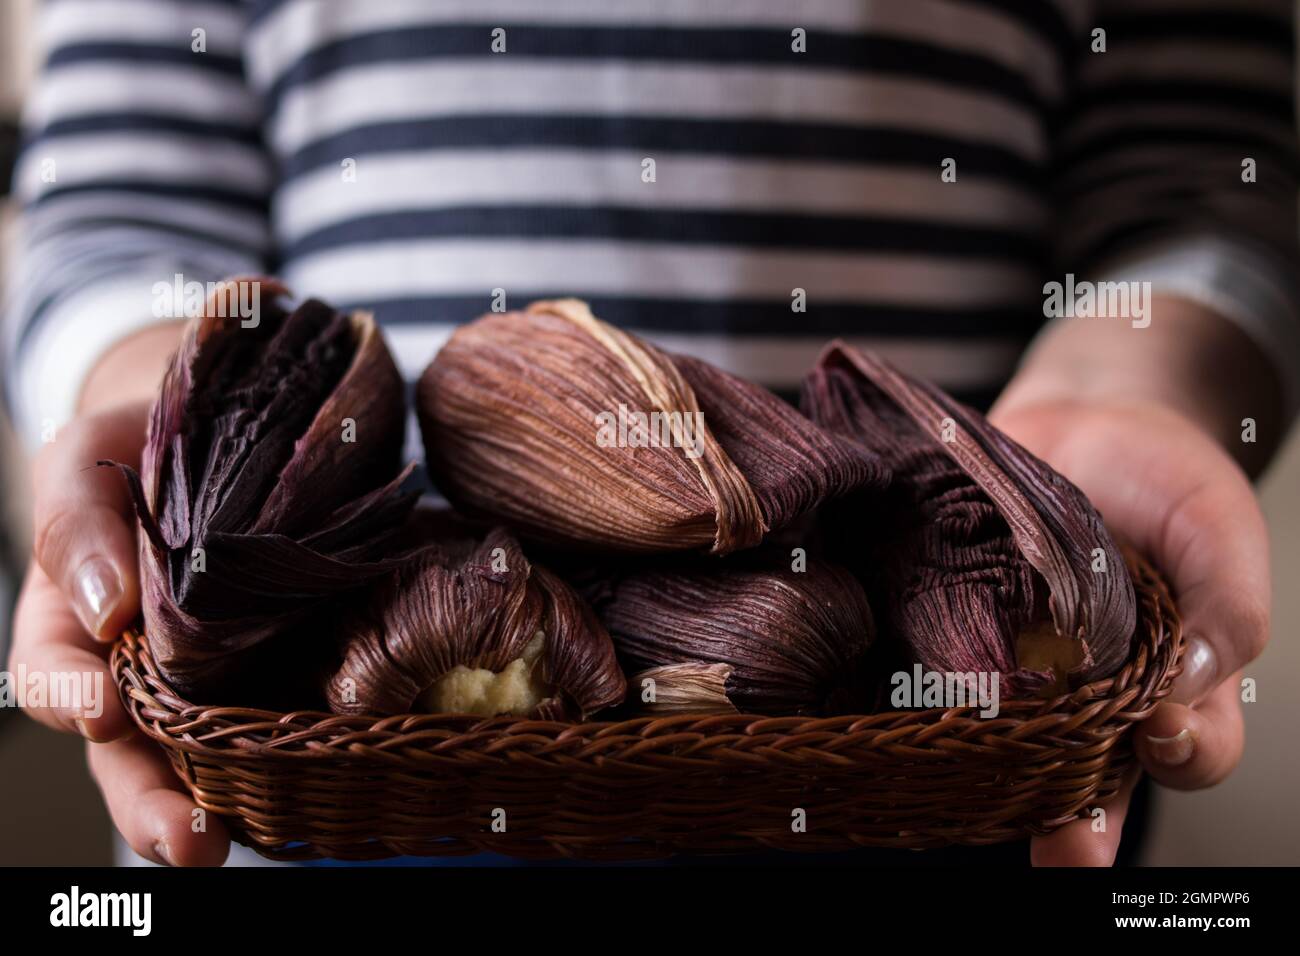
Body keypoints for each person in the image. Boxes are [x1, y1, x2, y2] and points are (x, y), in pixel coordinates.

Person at [4, 0, 1295, 867]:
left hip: (940, 768)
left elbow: (1208, 180)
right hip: (329, 771)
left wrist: (1145, 390)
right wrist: (157, 444)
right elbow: (118, 214)